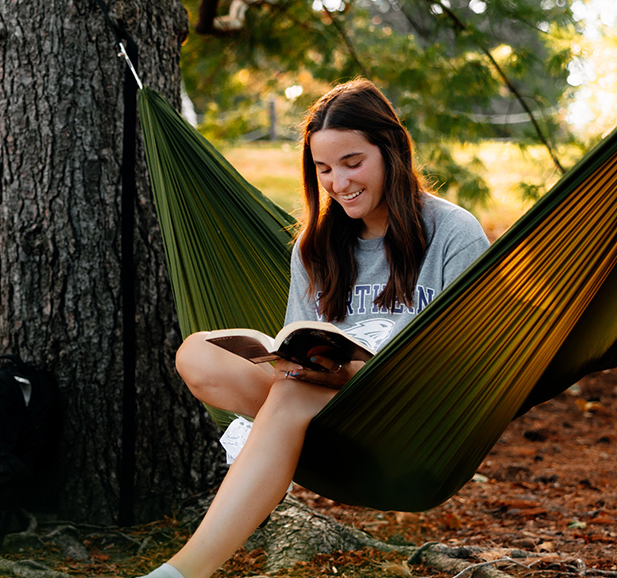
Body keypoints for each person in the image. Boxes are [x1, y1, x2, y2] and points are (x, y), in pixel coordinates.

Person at [138, 79, 490, 578]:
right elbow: (297, 342)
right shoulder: (315, 247)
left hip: (410, 417)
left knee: (290, 396)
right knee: (197, 353)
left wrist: (353, 376)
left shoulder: (453, 233)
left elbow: (472, 360)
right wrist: (306, 363)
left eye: (352, 163)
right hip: (322, 402)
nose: (339, 183)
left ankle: (183, 571)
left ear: (390, 150)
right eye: (324, 169)